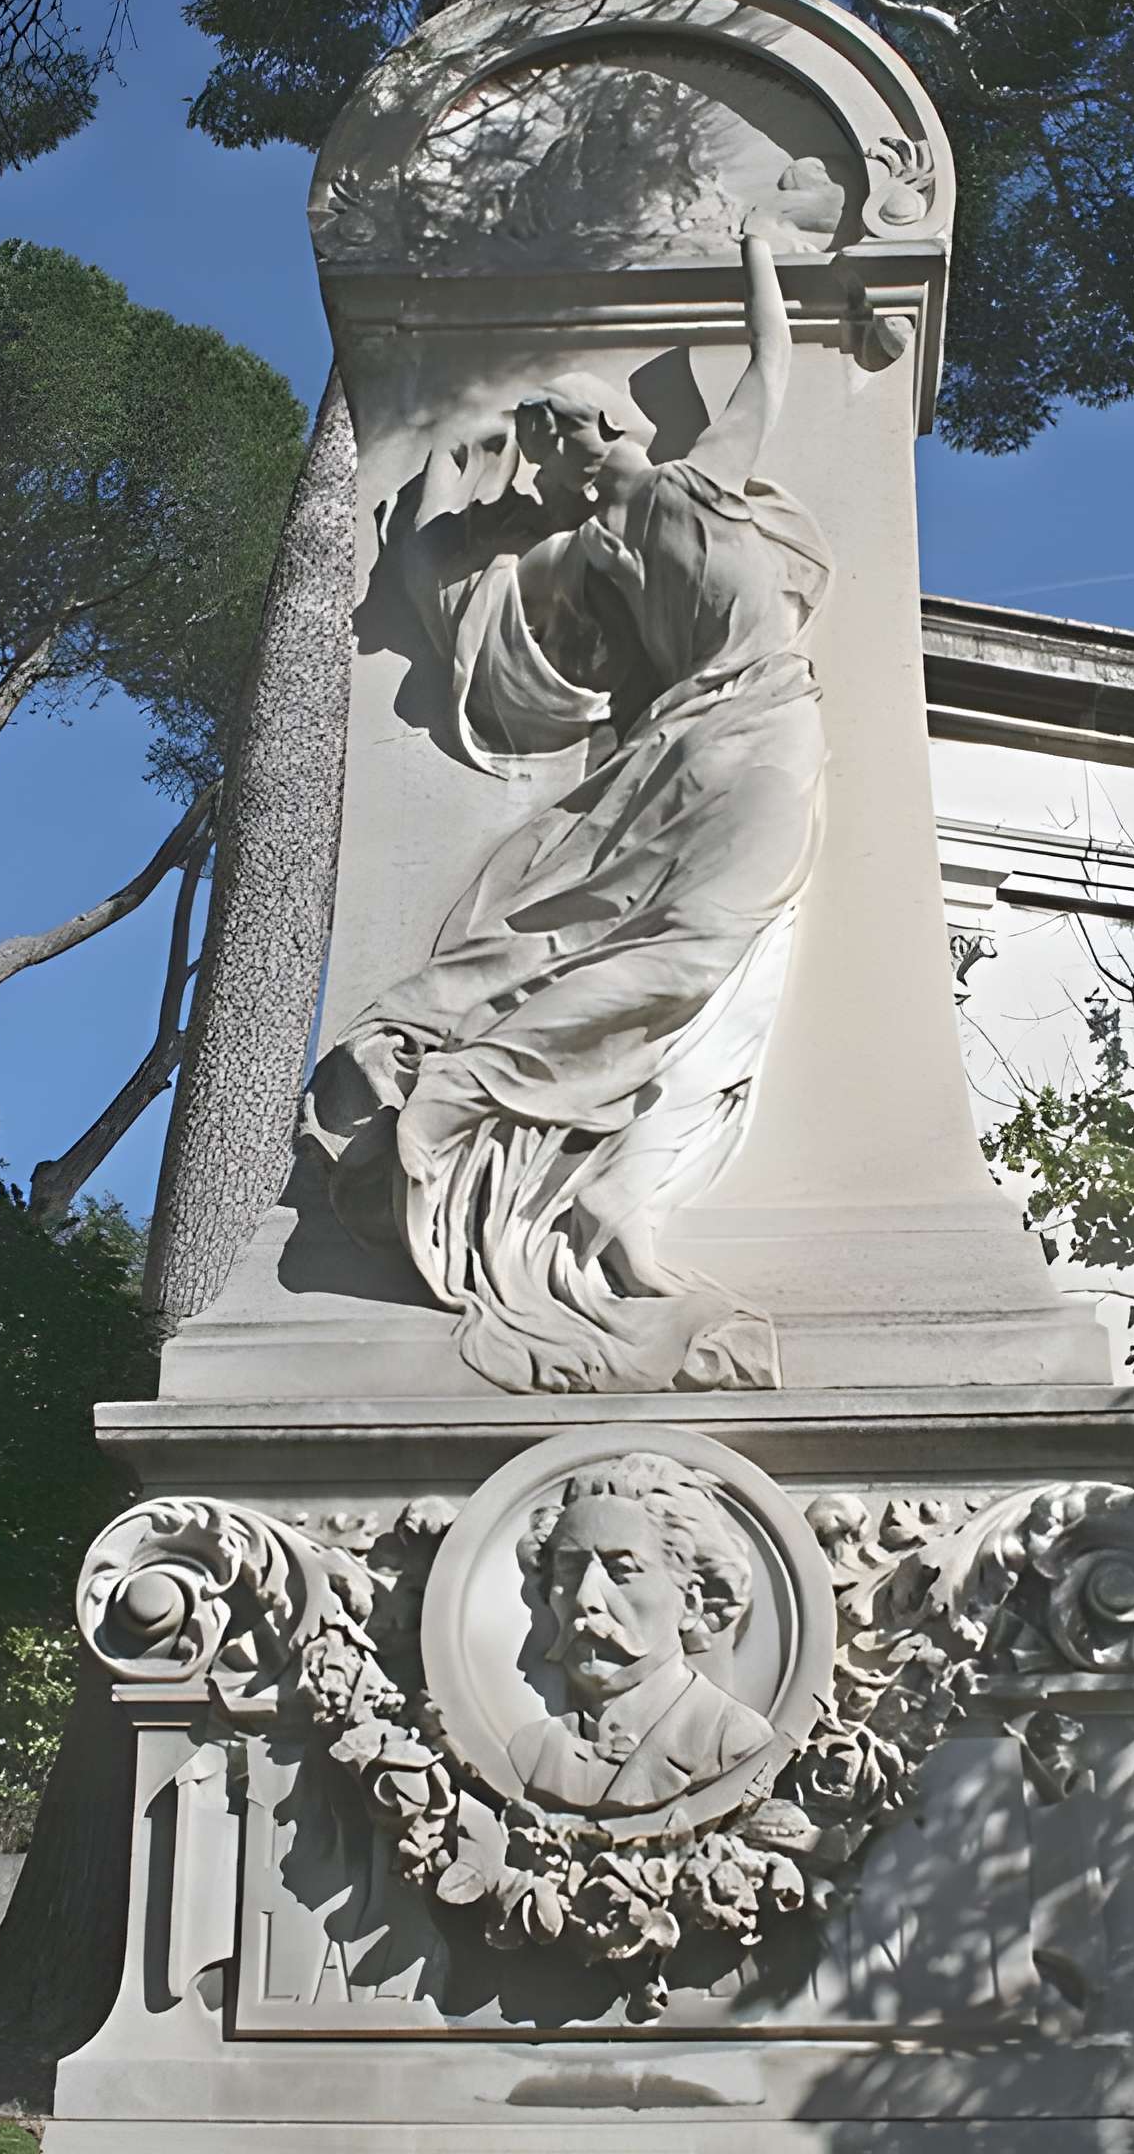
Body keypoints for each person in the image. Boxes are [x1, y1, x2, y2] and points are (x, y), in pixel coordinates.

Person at [301, 231, 829, 1395]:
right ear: (611, 436)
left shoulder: (591, 553)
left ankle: (608, 1176)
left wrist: (453, 502)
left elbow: (460, 595)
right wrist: (756, 256)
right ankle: (475, 1084)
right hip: (752, 741)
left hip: (679, 751)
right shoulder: (692, 488)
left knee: (694, 959)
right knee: (700, 952)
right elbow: (771, 361)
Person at [509, 1453, 774, 1815]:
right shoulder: (533, 1748)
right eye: (570, 1572)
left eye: (621, 1571)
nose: (587, 1600)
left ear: (691, 1602)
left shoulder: (733, 1739)